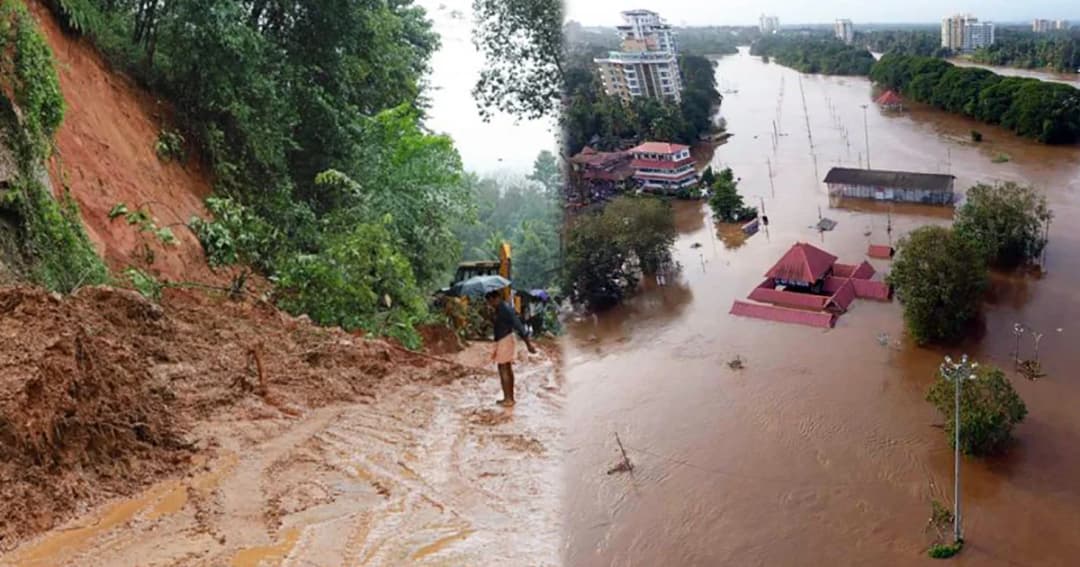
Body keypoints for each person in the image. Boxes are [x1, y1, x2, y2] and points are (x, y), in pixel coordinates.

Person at [486, 289, 537, 407]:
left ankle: (508, 399)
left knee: (503, 368)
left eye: (490, 301)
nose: (489, 304)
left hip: (505, 340)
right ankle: (508, 397)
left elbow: (518, 325)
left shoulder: (505, 309)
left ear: (495, 299)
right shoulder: (501, 309)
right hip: (503, 339)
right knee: (506, 368)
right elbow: (500, 323)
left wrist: (528, 343)